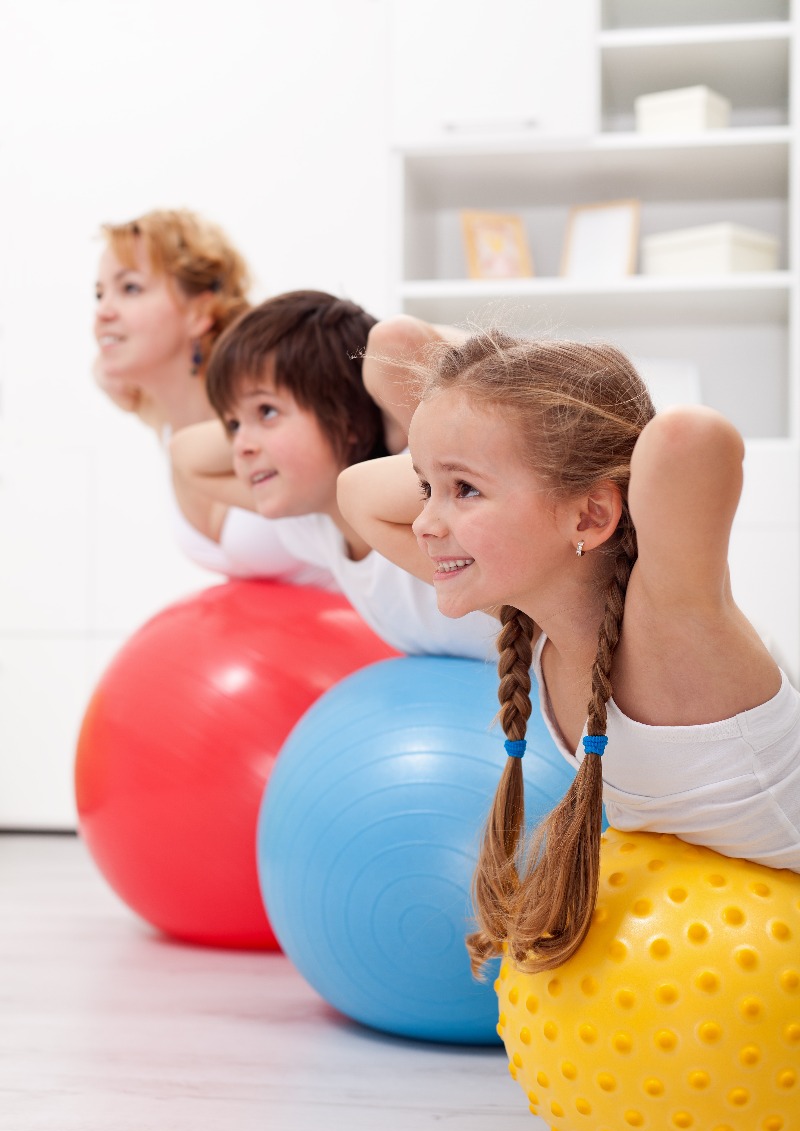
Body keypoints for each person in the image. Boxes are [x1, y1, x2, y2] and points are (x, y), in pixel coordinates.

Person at [337, 328, 800, 977]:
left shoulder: (669, 624)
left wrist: (548, 411)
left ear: (589, 518)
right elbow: (358, 483)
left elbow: (692, 439)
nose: (424, 523)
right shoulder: (539, 622)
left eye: (465, 490)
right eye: (424, 488)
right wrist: (469, 434)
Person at [172, 289, 500, 658]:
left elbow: (397, 340)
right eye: (232, 425)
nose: (240, 447)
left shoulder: (432, 490)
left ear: (346, 421)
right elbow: (185, 455)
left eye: (267, 411)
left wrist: (370, 409)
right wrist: (252, 416)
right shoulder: (321, 526)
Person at [93, 208, 331, 585]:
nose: (103, 311)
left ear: (201, 310)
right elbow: (108, 379)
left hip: (369, 632)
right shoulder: (162, 417)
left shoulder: (277, 405)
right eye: (99, 293)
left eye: (130, 288)